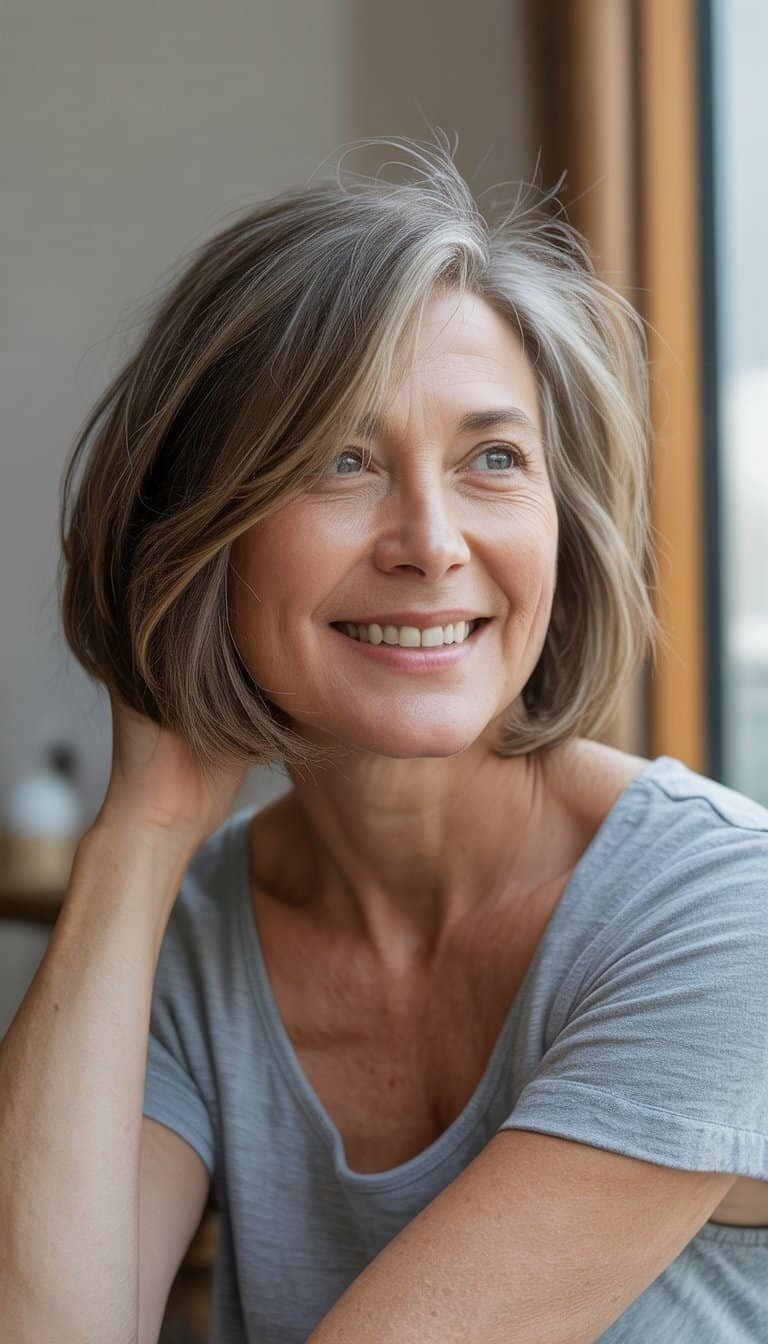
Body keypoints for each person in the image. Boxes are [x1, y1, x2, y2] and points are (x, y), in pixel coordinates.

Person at [3, 133, 767, 1344]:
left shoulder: (727, 915)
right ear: (199, 535)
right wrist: (139, 835)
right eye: (339, 460)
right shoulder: (192, 929)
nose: (431, 540)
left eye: (493, 461)